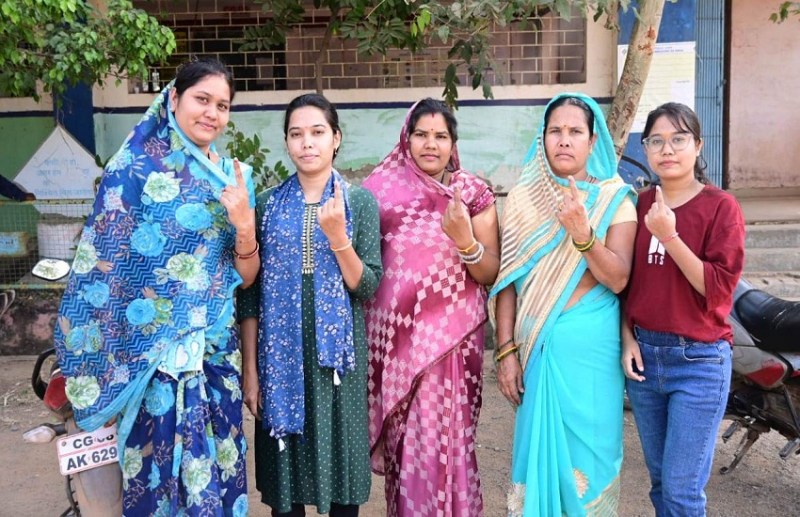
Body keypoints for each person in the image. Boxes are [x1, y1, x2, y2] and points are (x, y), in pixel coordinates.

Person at [53, 58, 257, 516]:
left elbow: (244, 277)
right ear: (173, 99)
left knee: (217, 473)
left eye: (222, 106)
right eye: (202, 100)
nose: (212, 114)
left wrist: (244, 224)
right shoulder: (132, 172)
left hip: (213, 356)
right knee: (154, 475)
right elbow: (105, 266)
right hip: (150, 357)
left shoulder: (235, 177)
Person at [491, 93, 637, 516]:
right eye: (556, 130)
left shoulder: (616, 199)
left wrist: (583, 233)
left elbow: (619, 278)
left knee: (591, 457)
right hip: (536, 349)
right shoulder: (521, 200)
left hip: (593, 356)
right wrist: (505, 352)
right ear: (543, 138)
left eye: (576, 132)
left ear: (594, 142)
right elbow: (508, 283)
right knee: (537, 461)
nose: (565, 140)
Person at [237, 93, 382, 517]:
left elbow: (367, 285)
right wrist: (251, 370)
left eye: (318, 132)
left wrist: (338, 236)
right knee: (286, 485)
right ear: (286, 142)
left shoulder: (359, 203)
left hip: (338, 364)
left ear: (336, 138)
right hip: (280, 361)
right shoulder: (265, 206)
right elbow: (249, 294)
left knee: (341, 478)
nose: (307, 143)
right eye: (296, 134)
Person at [363, 98, 500, 516]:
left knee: (447, 447)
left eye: (441, 136)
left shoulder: (472, 194)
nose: (430, 144)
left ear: (453, 143)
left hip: (451, 347)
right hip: (395, 350)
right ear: (406, 139)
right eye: (421, 134)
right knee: (409, 451)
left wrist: (465, 240)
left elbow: (489, 271)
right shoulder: (377, 191)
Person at [622, 102, 745, 516]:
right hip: (645, 359)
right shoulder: (637, 205)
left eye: (678, 139)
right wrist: (627, 340)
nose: (667, 149)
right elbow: (625, 283)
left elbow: (717, 291)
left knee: (682, 491)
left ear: (698, 145)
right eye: (656, 140)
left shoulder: (720, 207)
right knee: (661, 485)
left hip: (698, 359)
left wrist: (670, 237)